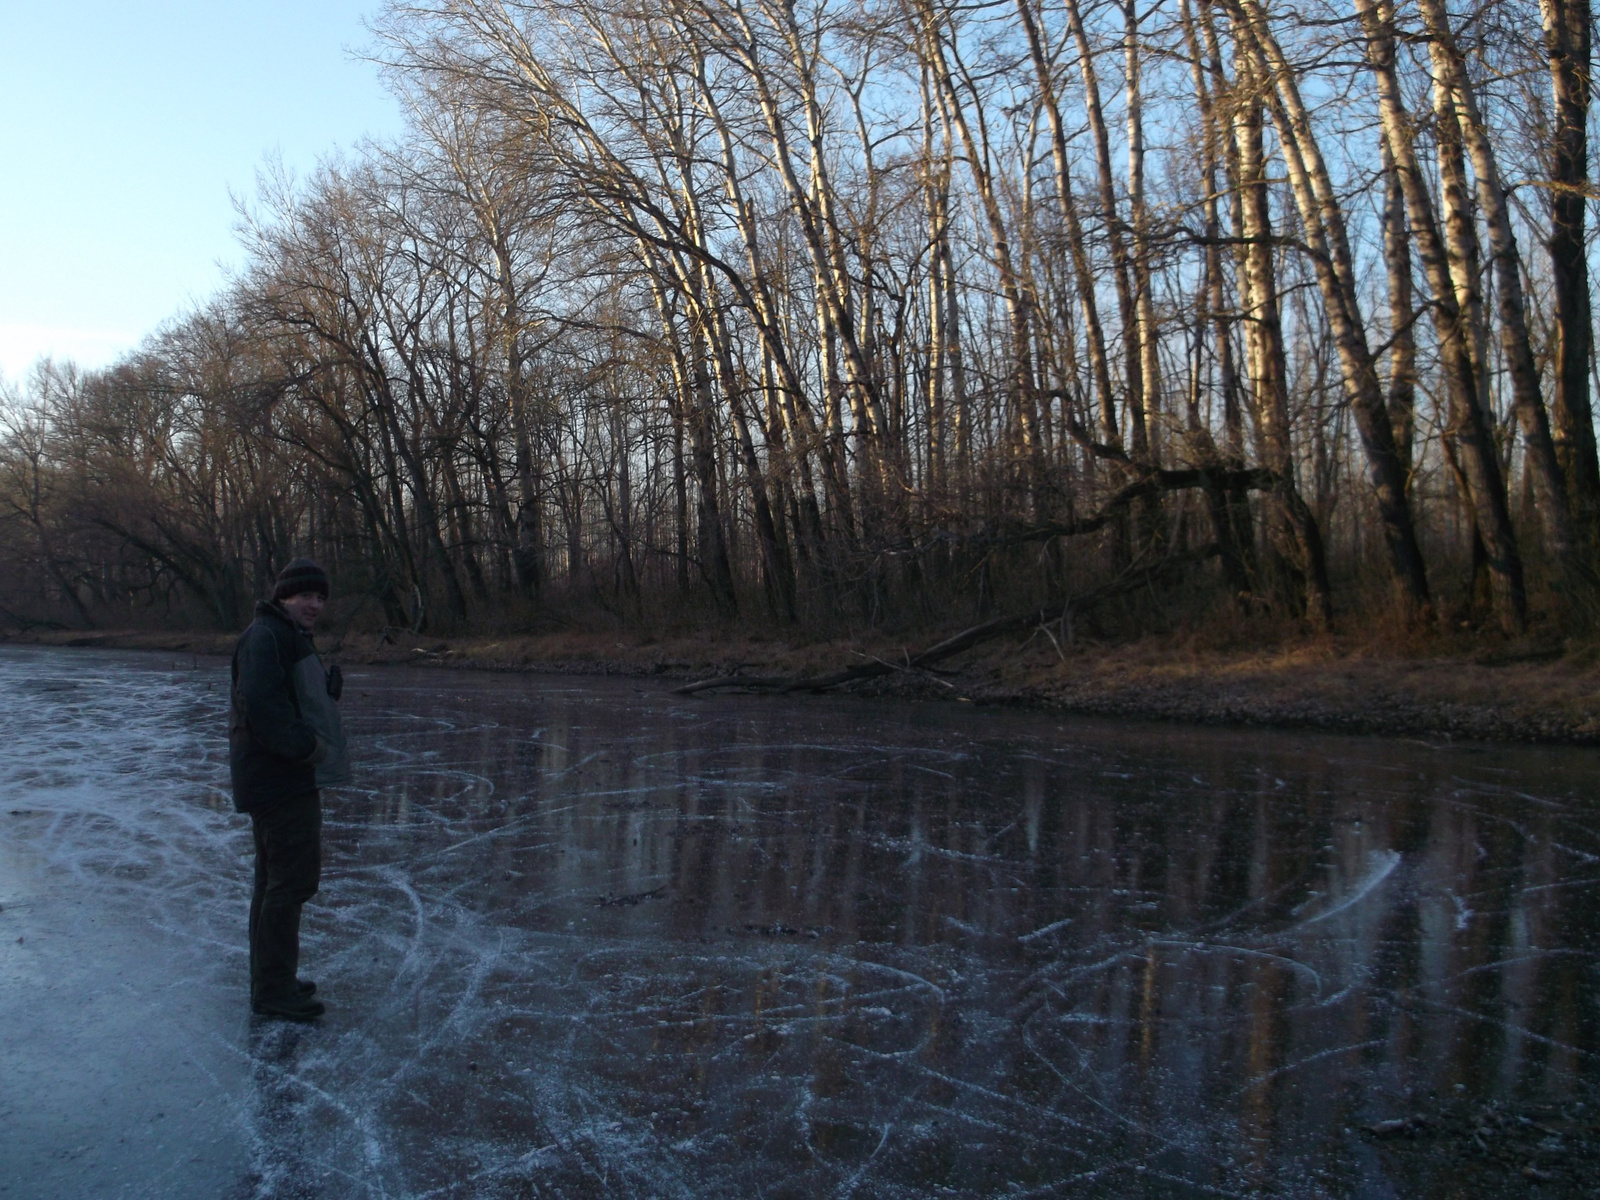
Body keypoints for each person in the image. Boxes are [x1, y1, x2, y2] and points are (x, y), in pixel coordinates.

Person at [228, 557, 351, 1020]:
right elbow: (261, 706)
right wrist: (307, 749)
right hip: (280, 779)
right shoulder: (266, 636)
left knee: (274, 883)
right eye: (306, 595)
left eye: (321, 597)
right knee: (291, 882)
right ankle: (273, 990)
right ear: (283, 596)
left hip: (279, 778)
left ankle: (271, 980)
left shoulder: (284, 635)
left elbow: (285, 697)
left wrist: (323, 691)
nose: (315, 604)